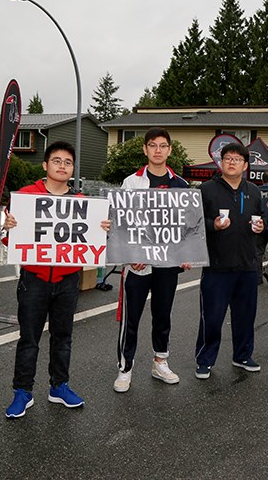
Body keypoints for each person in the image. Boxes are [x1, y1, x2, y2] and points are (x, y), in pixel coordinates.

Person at [3, 141, 109, 418]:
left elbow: (94, 240)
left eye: (68, 163)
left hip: (68, 280)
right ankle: (22, 391)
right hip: (34, 279)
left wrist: (102, 229)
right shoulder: (26, 197)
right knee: (29, 338)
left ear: (73, 169)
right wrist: (8, 226)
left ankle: (59, 386)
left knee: (63, 337)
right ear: (46, 165)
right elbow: (8, 240)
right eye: (57, 161)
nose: (62, 166)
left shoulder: (82, 203)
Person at [113, 127, 191, 393]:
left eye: (163, 146)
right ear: (145, 149)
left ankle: (160, 362)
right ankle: (125, 368)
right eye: (153, 145)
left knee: (163, 315)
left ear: (170, 150)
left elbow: (186, 227)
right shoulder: (131, 183)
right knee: (131, 318)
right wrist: (131, 255)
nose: (158, 150)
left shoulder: (181, 185)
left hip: (167, 265)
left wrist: (187, 253)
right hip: (137, 265)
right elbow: (121, 224)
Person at [195, 143, 265, 379]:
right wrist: (212, 225)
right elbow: (193, 224)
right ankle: (205, 360)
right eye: (227, 158)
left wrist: (262, 226)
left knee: (245, 316)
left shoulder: (255, 191)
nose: (232, 162)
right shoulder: (206, 190)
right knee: (212, 318)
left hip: (247, 265)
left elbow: (264, 223)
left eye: (237, 159)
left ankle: (243, 355)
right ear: (221, 163)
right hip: (217, 266)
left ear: (245, 165)